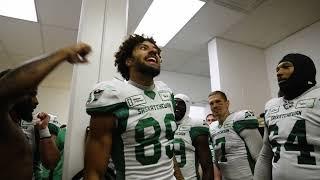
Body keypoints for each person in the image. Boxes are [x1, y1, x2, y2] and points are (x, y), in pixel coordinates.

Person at [85, 34, 182, 180]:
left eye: (156, 50)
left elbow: (166, 146)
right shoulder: (113, 95)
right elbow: (94, 171)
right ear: (129, 60)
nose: (153, 51)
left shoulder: (166, 92)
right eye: (144, 48)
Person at [0, 43, 91, 179]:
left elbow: (51, 163)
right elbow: (4, 89)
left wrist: (43, 130)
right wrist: (64, 53)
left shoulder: (23, 127)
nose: (36, 101)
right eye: (30, 94)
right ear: (14, 95)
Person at [254, 53, 320, 180]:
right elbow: (266, 154)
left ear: (302, 69)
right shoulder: (271, 105)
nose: (279, 72)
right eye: (277, 69)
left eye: (286, 67)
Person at [208, 91, 262, 180]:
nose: (215, 106)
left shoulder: (239, 118)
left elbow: (259, 156)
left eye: (218, 101)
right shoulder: (212, 128)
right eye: (211, 103)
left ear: (227, 103)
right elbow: (216, 161)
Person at [173, 94, 213, 180]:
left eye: (180, 104)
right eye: (174, 103)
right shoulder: (166, 126)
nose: (176, 106)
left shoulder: (194, 126)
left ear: (187, 107)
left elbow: (207, 166)